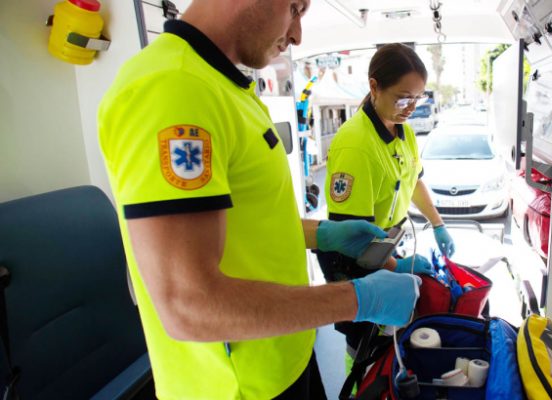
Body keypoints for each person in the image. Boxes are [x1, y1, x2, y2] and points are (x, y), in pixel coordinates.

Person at [96, 1, 421, 399]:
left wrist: (324, 234)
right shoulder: (173, 88)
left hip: (282, 351)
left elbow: (244, 224)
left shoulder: (225, 86)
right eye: (295, 8)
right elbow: (189, 305)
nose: (298, 34)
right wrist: (358, 298)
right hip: (238, 386)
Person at [316, 43, 456, 365]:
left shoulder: (402, 131)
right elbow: (352, 241)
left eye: (417, 98)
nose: (411, 107)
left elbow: (413, 179)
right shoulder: (357, 146)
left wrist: (438, 225)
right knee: (363, 345)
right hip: (356, 261)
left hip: (384, 248)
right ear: (374, 87)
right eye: (403, 98)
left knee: (392, 341)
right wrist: (399, 267)